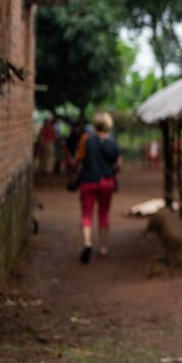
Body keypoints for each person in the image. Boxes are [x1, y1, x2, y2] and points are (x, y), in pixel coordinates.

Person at [71, 112, 121, 264]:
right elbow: (118, 165)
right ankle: (103, 247)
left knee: (86, 214)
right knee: (104, 213)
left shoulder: (86, 140)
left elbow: (77, 160)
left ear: (95, 124)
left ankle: (87, 242)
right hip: (106, 182)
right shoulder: (113, 143)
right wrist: (111, 171)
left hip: (88, 181)